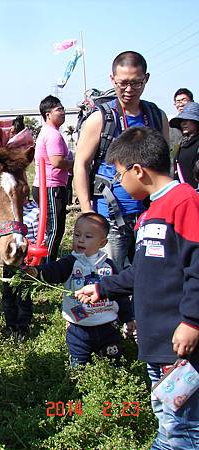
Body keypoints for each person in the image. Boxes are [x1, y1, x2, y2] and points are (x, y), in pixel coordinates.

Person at [76, 127, 199, 448]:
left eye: (119, 176)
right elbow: (139, 273)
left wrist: (192, 321)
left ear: (138, 171)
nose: (117, 184)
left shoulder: (184, 202)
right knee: (168, 422)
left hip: (181, 345)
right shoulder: (149, 214)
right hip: (158, 345)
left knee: (181, 431)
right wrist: (102, 288)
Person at [73, 50, 169, 271]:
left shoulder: (156, 116)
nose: (128, 90)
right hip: (109, 217)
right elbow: (81, 164)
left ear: (146, 79)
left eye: (136, 83)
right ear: (112, 79)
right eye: (122, 83)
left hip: (148, 214)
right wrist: (88, 211)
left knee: (148, 275)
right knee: (108, 278)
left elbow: (164, 164)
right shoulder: (101, 119)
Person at [26, 212, 134, 367]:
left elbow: (119, 293)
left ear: (102, 243)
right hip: (79, 327)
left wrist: (127, 317)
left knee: (113, 359)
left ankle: (112, 372)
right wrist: (37, 272)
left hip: (108, 324)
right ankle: (77, 377)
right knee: (79, 362)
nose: (80, 240)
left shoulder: (108, 265)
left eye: (88, 237)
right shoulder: (70, 263)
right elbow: (53, 271)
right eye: (77, 235)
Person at [33, 95, 73, 262]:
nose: (63, 112)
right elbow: (57, 162)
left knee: (51, 228)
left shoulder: (51, 132)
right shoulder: (53, 135)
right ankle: (47, 268)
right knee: (54, 229)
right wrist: (75, 164)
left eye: (62, 109)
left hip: (49, 187)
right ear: (48, 114)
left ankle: (45, 264)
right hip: (51, 187)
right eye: (59, 110)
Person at [2, 199, 39, 340]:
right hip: (10, 262)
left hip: (26, 262)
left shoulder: (34, 211)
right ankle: (10, 326)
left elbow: (40, 237)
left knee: (23, 295)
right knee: (8, 294)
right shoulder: (6, 211)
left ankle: (24, 326)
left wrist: (34, 256)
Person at [170, 102, 199, 188]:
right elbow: (172, 160)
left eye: (187, 120)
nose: (183, 123)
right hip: (182, 192)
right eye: (182, 121)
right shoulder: (179, 144)